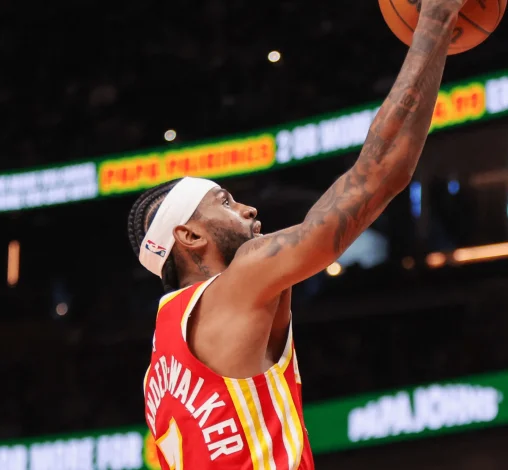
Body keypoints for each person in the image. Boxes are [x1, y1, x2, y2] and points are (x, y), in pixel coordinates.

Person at [128, 0, 465, 467]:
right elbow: (378, 176)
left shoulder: (158, 362)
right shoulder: (242, 279)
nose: (248, 209)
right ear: (189, 236)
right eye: (225, 203)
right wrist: (436, 20)